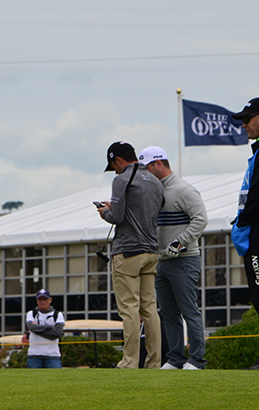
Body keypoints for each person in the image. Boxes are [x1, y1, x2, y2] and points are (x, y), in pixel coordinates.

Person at [139, 146, 207, 370]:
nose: (145, 173)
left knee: (189, 310)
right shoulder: (155, 192)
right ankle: (176, 358)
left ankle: (197, 359)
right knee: (168, 313)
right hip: (161, 261)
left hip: (184, 259)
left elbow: (200, 219)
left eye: (147, 167)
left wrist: (178, 244)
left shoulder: (184, 190)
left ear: (159, 164)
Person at [97, 141, 164, 369]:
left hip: (127, 252)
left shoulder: (121, 180)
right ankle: (154, 363)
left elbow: (117, 217)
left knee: (129, 309)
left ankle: (129, 362)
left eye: (113, 165)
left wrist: (105, 211)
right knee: (150, 309)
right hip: (151, 251)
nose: (114, 170)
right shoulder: (155, 181)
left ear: (118, 160)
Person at [231, 97, 259, 370]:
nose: (243, 125)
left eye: (248, 118)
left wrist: (240, 222)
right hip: (257, 232)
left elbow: (257, 197)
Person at [25, 289, 65, 368]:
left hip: (53, 356)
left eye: (45, 299)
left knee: (55, 380)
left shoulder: (58, 314)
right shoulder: (31, 314)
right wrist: (50, 328)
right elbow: (31, 327)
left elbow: (58, 333)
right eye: (40, 299)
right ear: (37, 301)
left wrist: (37, 330)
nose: (42, 302)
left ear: (50, 300)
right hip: (34, 356)